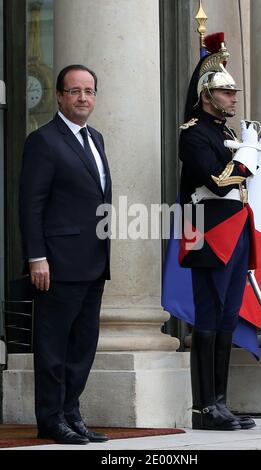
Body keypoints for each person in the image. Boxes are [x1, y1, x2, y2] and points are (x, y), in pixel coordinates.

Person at [19, 65, 112, 444]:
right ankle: (51, 419)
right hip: (56, 264)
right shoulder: (43, 141)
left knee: (82, 347)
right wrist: (36, 257)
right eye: (74, 91)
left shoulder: (97, 139)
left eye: (89, 91)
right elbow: (30, 205)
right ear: (59, 96)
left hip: (93, 261)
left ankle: (72, 414)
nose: (83, 98)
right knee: (53, 347)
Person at [179, 33, 259, 431]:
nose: (233, 98)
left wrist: (244, 148)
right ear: (207, 95)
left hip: (237, 231)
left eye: (233, 92)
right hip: (209, 234)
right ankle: (203, 407)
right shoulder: (194, 133)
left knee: (227, 316)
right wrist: (246, 155)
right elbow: (216, 181)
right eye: (226, 92)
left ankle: (221, 402)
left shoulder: (226, 134)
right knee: (209, 317)